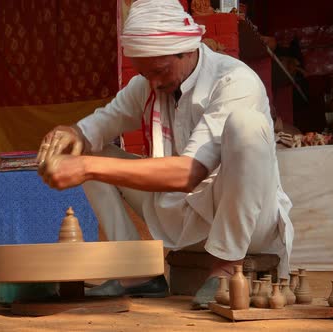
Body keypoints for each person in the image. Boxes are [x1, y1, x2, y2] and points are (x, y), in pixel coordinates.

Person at [36, 0, 293, 309]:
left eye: (159, 71)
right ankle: (136, 271)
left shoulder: (235, 81)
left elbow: (189, 173)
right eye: (146, 75)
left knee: (246, 126)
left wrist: (87, 167)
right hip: (185, 220)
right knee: (86, 149)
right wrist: (72, 133)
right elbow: (99, 125)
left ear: (186, 49)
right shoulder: (147, 85)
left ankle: (227, 265)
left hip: (249, 225)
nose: (154, 83)